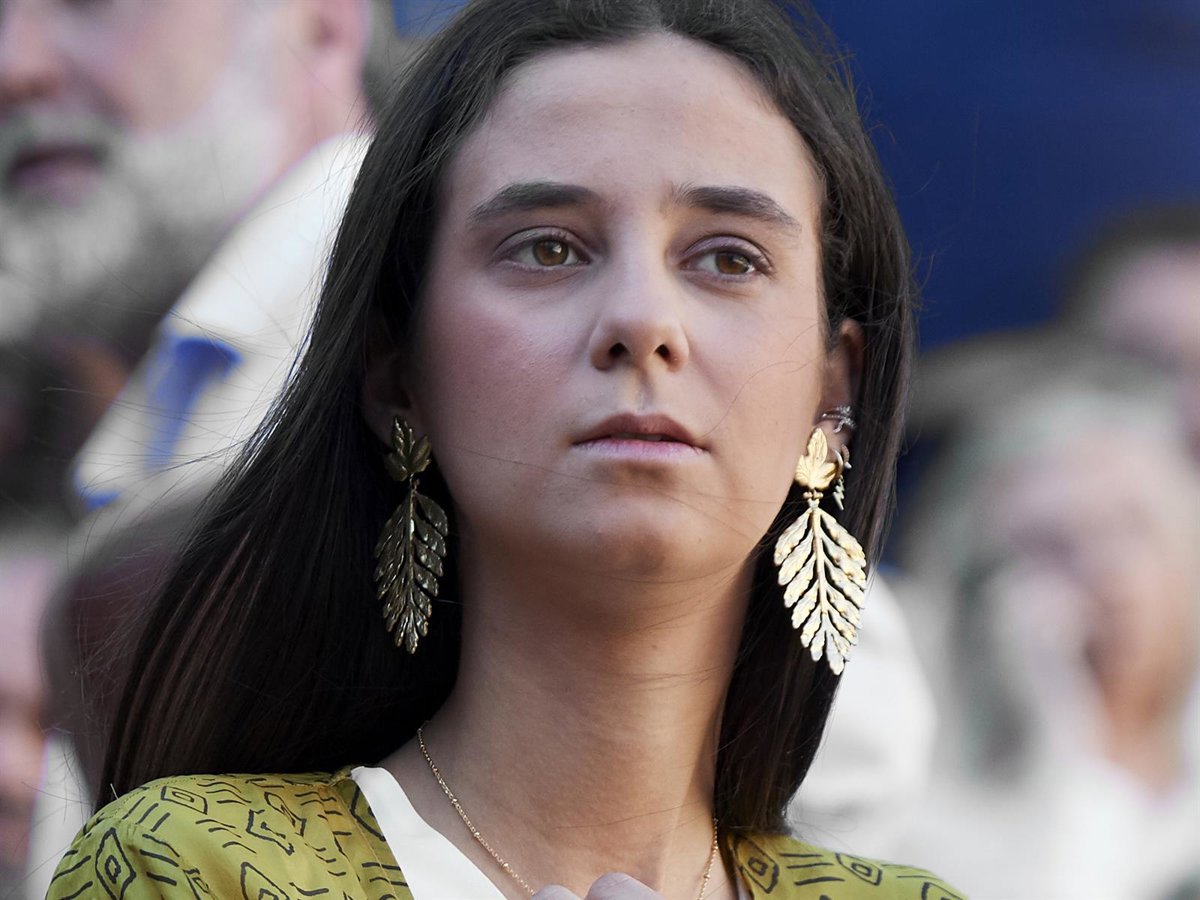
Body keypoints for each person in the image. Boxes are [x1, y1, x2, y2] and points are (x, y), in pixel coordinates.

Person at [46, 1, 960, 897]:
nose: (642, 320)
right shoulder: (187, 869)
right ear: (398, 375)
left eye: (729, 258)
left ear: (832, 391)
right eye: (548, 250)